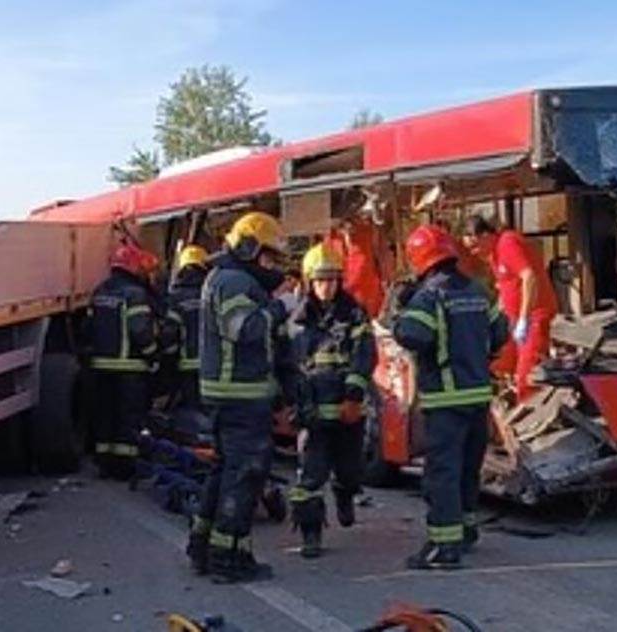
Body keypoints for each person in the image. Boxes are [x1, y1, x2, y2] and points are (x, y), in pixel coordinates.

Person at [393, 224, 509, 570]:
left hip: (445, 398)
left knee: (442, 472)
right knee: (468, 468)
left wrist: (399, 311)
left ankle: (444, 547)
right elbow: (500, 332)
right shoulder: (476, 291)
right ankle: (467, 530)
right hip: (477, 395)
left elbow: (412, 335)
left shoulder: (430, 296)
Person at [187, 212, 291, 583]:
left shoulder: (229, 278)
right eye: (269, 257)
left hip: (231, 395)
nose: (273, 266)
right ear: (249, 249)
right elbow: (244, 328)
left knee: (224, 472)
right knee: (245, 476)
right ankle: (228, 558)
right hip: (239, 397)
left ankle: (204, 546)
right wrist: (282, 307)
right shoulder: (233, 281)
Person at [286, 243, 377, 559]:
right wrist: (293, 403)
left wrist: (353, 397)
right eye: (321, 280)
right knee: (309, 477)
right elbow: (290, 366)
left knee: (351, 471)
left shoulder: (354, 315)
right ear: (310, 281)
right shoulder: (296, 322)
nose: (327, 286)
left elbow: (364, 357)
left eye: (333, 279)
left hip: (346, 412)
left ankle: (345, 493)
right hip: (312, 415)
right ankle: (311, 534)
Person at [462, 217, 557, 401]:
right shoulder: (494, 255)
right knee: (499, 366)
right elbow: (505, 286)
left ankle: (532, 417)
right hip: (515, 320)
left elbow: (529, 278)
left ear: (485, 236)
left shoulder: (508, 244)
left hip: (534, 318)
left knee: (527, 376)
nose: (474, 253)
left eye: (474, 246)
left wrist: (524, 319)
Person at [87, 242, 160, 480]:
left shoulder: (99, 292)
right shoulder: (135, 294)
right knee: (127, 420)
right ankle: (125, 467)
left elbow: (88, 327)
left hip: (101, 366)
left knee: (105, 418)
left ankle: (104, 464)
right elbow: (140, 330)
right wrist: (153, 353)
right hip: (130, 368)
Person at [163, 245, 209, 411]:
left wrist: (168, 360)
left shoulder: (176, 298)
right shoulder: (213, 292)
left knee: (191, 411)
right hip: (215, 367)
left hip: (187, 366)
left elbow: (170, 334)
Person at [324, 217, 386, 319]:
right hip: (347, 303)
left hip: (369, 300)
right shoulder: (331, 240)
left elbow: (382, 257)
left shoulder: (366, 231)